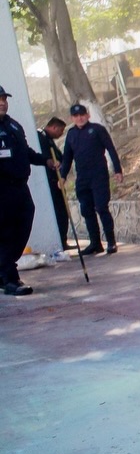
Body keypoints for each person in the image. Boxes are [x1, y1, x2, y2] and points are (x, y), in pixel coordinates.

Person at [0, 85, 50, 296]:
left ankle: (4, 268)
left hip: (20, 187)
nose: (2, 102)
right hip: (1, 189)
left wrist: (45, 160)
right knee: (5, 233)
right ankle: (10, 279)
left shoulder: (14, 126)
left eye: (4, 99)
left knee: (23, 226)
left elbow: (26, 152)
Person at [59, 104, 123, 255]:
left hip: (98, 176)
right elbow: (67, 157)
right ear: (71, 118)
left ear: (87, 115)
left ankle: (111, 242)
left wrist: (118, 170)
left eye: (82, 114)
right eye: (76, 116)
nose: (79, 118)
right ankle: (95, 244)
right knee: (86, 210)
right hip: (82, 177)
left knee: (101, 207)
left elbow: (111, 149)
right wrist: (62, 176)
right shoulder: (71, 134)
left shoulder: (97, 129)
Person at [37, 116, 71, 249]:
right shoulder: (41, 137)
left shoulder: (48, 139)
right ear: (54, 127)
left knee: (63, 211)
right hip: (50, 181)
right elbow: (46, 157)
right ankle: (60, 241)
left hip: (56, 180)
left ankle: (63, 240)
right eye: (60, 131)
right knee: (59, 211)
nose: (61, 134)